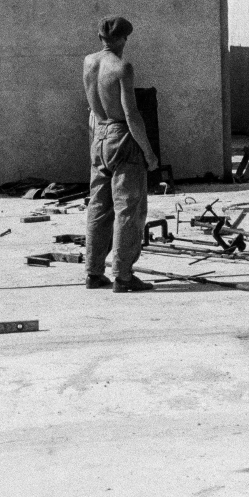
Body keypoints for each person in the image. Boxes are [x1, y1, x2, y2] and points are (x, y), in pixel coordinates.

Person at [83, 16, 159, 293]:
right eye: (126, 39)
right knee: (129, 209)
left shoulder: (89, 63)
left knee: (99, 208)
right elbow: (131, 114)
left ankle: (93, 272)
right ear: (121, 39)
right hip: (122, 139)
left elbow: (92, 108)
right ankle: (124, 276)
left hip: (99, 136)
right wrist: (149, 153)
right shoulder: (122, 67)